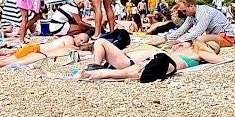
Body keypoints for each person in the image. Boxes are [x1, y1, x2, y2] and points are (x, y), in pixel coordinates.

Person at [78, 37, 224, 82]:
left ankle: (98, 72)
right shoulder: (197, 52)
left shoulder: (196, 52)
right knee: (133, 71)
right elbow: (221, 60)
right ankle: (99, 72)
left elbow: (219, 60)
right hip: (162, 62)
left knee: (134, 70)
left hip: (158, 61)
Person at [167, 0, 235, 53]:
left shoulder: (204, 12)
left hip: (225, 37)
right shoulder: (191, 15)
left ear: (191, 6)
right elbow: (182, 30)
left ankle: (185, 51)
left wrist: (180, 40)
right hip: (215, 36)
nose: (184, 13)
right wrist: (167, 39)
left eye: (184, 11)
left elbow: (198, 32)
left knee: (199, 39)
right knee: (193, 39)